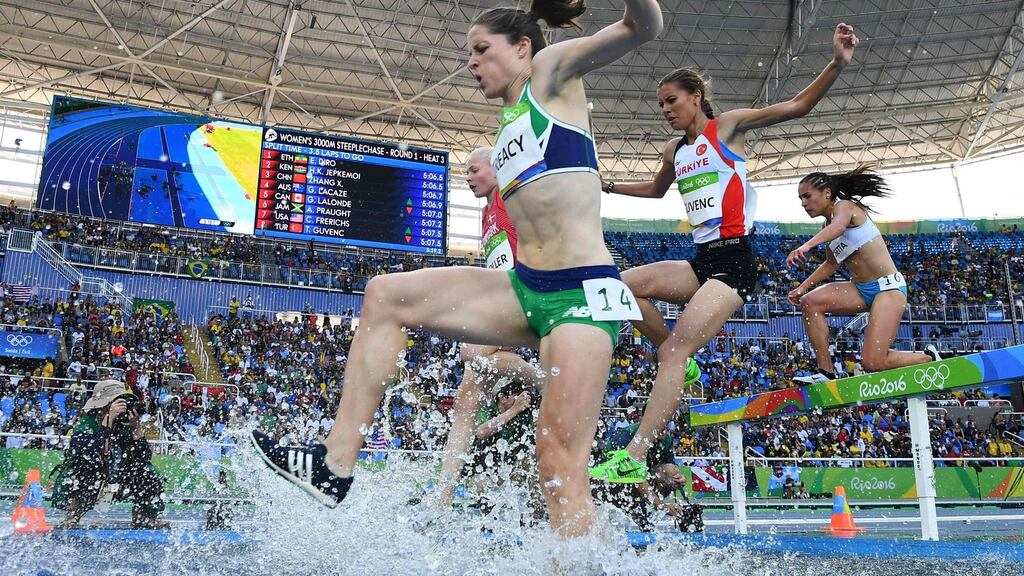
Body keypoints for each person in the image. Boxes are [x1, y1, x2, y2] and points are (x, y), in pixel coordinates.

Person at [251, 0, 663, 539]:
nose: (470, 63)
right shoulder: (509, 123)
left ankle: (593, 560)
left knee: (558, 464)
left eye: (480, 49)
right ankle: (334, 464)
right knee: (384, 294)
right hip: (524, 287)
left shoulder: (551, 71)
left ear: (522, 48)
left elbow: (643, 26)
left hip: (582, 293)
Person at [593, 23, 861, 484]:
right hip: (700, 260)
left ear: (695, 95)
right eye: (660, 104)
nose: (664, 110)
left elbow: (797, 106)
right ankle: (677, 358)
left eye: (670, 100)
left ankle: (635, 456)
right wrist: (609, 185)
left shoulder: (728, 127)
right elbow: (658, 192)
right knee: (615, 288)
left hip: (735, 262)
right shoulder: (675, 151)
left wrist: (836, 63)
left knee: (674, 352)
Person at [435, 147, 544, 510]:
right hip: (503, 301)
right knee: (469, 389)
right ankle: (442, 498)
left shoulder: (512, 197)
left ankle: (543, 380)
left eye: (473, 169)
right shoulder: (486, 216)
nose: (467, 176)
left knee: (471, 353)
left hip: (530, 295)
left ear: (498, 170)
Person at [785, 166, 940, 383]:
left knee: (872, 363)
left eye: (807, 196)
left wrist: (806, 246)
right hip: (860, 289)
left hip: (888, 289)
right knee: (809, 301)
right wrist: (803, 286)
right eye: (800, 198)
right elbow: (831, 263)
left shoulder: (845, 207)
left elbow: (839, 227)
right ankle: (826, 373)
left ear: (827, 193)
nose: (803, 203)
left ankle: (928, 357)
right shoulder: (826, 225)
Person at [50, 380, 168, 529]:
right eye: (117, 402)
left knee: (146, 471)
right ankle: (73, 514)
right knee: (82, 468)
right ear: (103, 405)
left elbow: (143, 457)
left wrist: (137, 428)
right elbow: (89, 454)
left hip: (118, 476)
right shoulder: (86, 424)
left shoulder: (124, 425)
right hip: (91, 476)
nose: (122, 407)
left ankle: (144, 515)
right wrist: (108, 422)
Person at [592, 422, 701, 532]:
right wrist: (663, 507)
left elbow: (670, 468)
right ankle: (639, 513)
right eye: (660, 425)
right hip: (608, 483)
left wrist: (680, 479)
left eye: (667, 424)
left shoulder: (666, 439)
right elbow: (636, 478)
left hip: (638, 478)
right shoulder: (627, 435)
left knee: (671, 472)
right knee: (632, 480)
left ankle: (645, 511)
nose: (664, 429)